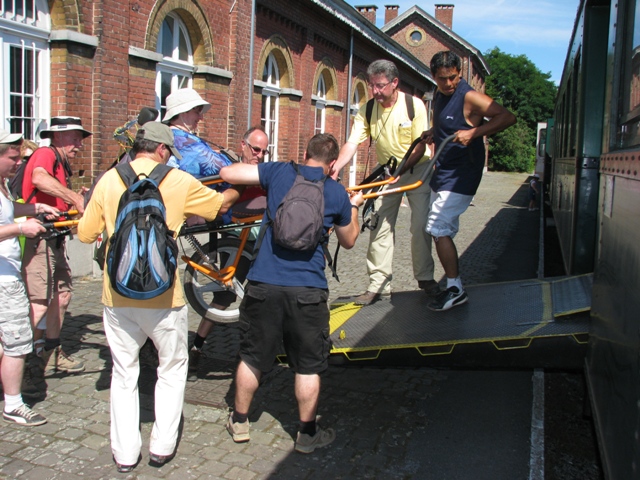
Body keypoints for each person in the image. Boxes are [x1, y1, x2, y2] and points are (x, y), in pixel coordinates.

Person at [77, 122, 238, 473]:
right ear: (163, 150)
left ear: (137, 147)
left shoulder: (109, 180)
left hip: (116, 297)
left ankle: (124, 454)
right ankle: (162, 448)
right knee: (172, 368)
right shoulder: (176, 180)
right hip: (166, 299)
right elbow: (218, 207)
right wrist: (237, 189)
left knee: (124, 372)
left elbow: (86, 233)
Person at [220, 133, 364, 454]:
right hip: (308, 291)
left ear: (304, 153)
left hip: (263, 283)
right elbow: (350, 239)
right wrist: (353, 207)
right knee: (308, 366)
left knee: (253, 356)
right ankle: (307, 435)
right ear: (331, 166)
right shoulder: (336, 193)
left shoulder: (279, 172)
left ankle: (241, 421)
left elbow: (228, 174)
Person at [331, 59, 437, 305]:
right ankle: (378, 285)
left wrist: (401, 169)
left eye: (380, 86)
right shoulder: (368, 109)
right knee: (379, 225)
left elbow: (420, 147)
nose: (376, 91)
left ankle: (425, 278)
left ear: (395, 83)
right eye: (372, 86)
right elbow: (352, 143)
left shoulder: (414, 106)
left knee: (420, 224)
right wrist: (336, 166)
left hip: (417, 170)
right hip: (388, 174)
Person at [420, 51, 516, 311]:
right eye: (442, 79)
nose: (449, 84)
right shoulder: (439, 94)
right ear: (434, 77)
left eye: (453, 78)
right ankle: (454, 286)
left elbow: (507, 117)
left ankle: (455, 288)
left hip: (462, 174)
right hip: (444, 170)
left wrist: (474, 132)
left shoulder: (470, 96)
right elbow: (448, 123)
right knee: (439, 230)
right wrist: (434, 131)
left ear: (459, 74)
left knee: (438, 228)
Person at [187, 126, 269, 380]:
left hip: (262, 240)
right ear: (243, 146)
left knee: (261, 296)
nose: (259, 155)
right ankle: (197, 346)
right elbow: (223, 204)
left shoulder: (264, 172)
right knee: (224, 297)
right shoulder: (232, 172)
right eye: (256, 149)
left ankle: (248, 353)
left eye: (264, 152)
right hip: (236, 239)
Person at [21, 116, 91, 374]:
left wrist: (73, 202)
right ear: (59, 136)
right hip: (39, 239)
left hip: (56, 239)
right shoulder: (45, 153)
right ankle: (17, 354)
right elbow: (39, 179)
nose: (79, 145)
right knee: (38, 301)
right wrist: (73, 197)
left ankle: (50, 351)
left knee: (61, 297)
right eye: (75, 138)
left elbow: (54, 196)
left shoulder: (62, 164)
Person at [0, 129, 59, 426]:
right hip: (3, 281)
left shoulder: (2, 187)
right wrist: (20, 229)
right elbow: (6, 225)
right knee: (18, 343)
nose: (18, 163)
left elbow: (6, 213)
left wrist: (34, 207)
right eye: (12, 158)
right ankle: (13, 404)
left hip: (7, 275)